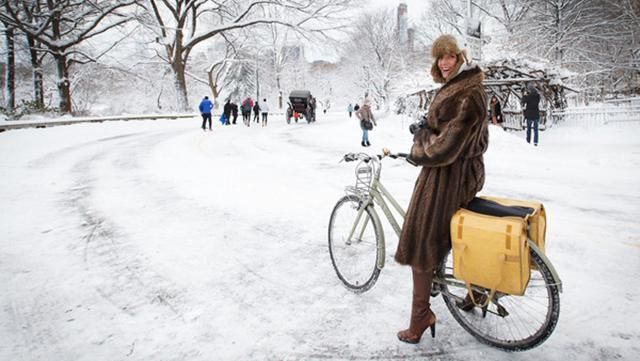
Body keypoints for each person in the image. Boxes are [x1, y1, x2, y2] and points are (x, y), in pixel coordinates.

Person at [395, 34, 489, 344]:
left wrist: (420, 143)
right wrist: (429, 128)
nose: (444, 63)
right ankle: (477, 292)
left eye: (450, 56)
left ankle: (421, 316)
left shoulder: (468, 94)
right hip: (453, 173)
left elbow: (444, 148)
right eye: (440, 58)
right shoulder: (459, 88)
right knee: (453, 235)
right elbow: (448, 132)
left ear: (461, 57)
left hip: (450, 176)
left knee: (422, 238)